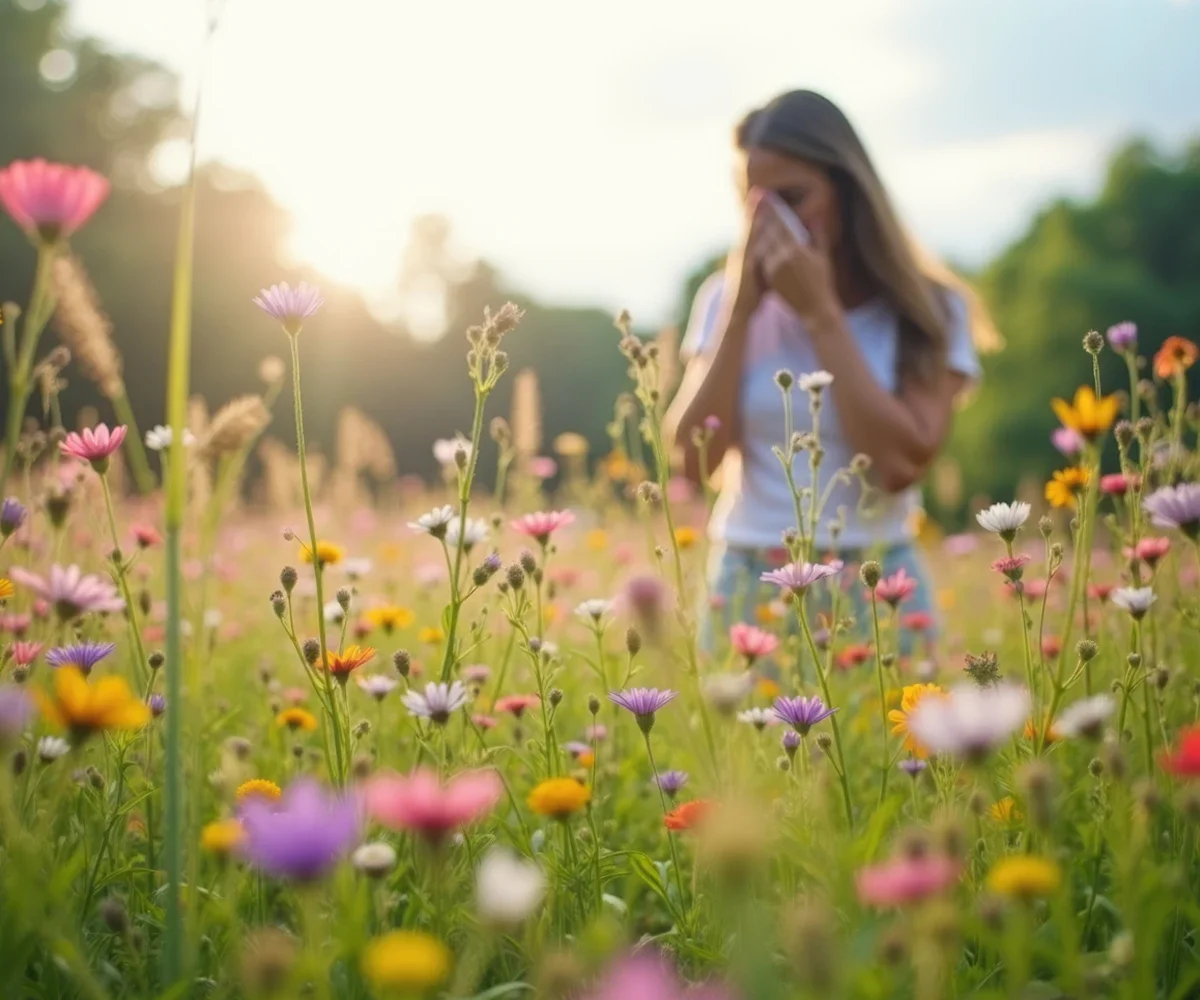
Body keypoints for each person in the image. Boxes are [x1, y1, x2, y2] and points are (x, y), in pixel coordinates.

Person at [664, 90, 998, 643]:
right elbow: (691, 461)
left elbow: (898, 464)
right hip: (750, 575)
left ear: (847, 192)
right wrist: (742, 310)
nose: (774, 225)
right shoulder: (724, 300)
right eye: (757, 205)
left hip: (877, 580)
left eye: (794, 198)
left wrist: (821, 315)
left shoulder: (930, 310)